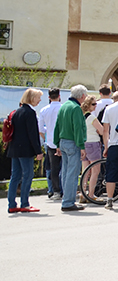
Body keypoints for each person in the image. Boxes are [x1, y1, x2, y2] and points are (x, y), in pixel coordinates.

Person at [6, 88, 43, 213]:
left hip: (14, 148)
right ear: (32, 98)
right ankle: (25, 203)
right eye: (38, 97)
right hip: (25, 150)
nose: (40, 100)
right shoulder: (30, 113)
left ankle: (11, 204)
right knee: (28, 175)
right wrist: (38, 151)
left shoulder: (16, 112)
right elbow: (33, 134)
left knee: (15, 176)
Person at [53, 84, 89, 212]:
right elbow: (78, 128)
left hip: (63, 142)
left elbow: (57, 126)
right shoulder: (76, 108)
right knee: (72, 174)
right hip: (72, 142)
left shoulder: (64, 106)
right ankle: (68, 202)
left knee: (65, 172)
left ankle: (66, 199)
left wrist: (57, 143)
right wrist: (81, 146)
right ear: (82, 95)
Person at [37, 87, 62, 200]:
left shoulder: (44, 110)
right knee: (65, 167)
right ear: (59, 95)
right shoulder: (62, 108)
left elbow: (41, 129)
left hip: (50, 142)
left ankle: (55, 190)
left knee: (53, 168)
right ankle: (64, 189)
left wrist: (47, 137)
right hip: (63, 141)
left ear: (49, 97)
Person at [79, 95, 102, 205]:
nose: (95, 106)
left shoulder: (81, 117)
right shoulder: (92, 118)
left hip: (84, 143)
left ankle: (83, 193)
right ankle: (91, 194)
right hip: (93, 143)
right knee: (95, 170)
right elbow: (102, 130)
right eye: (93, 104)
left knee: (85, 171)